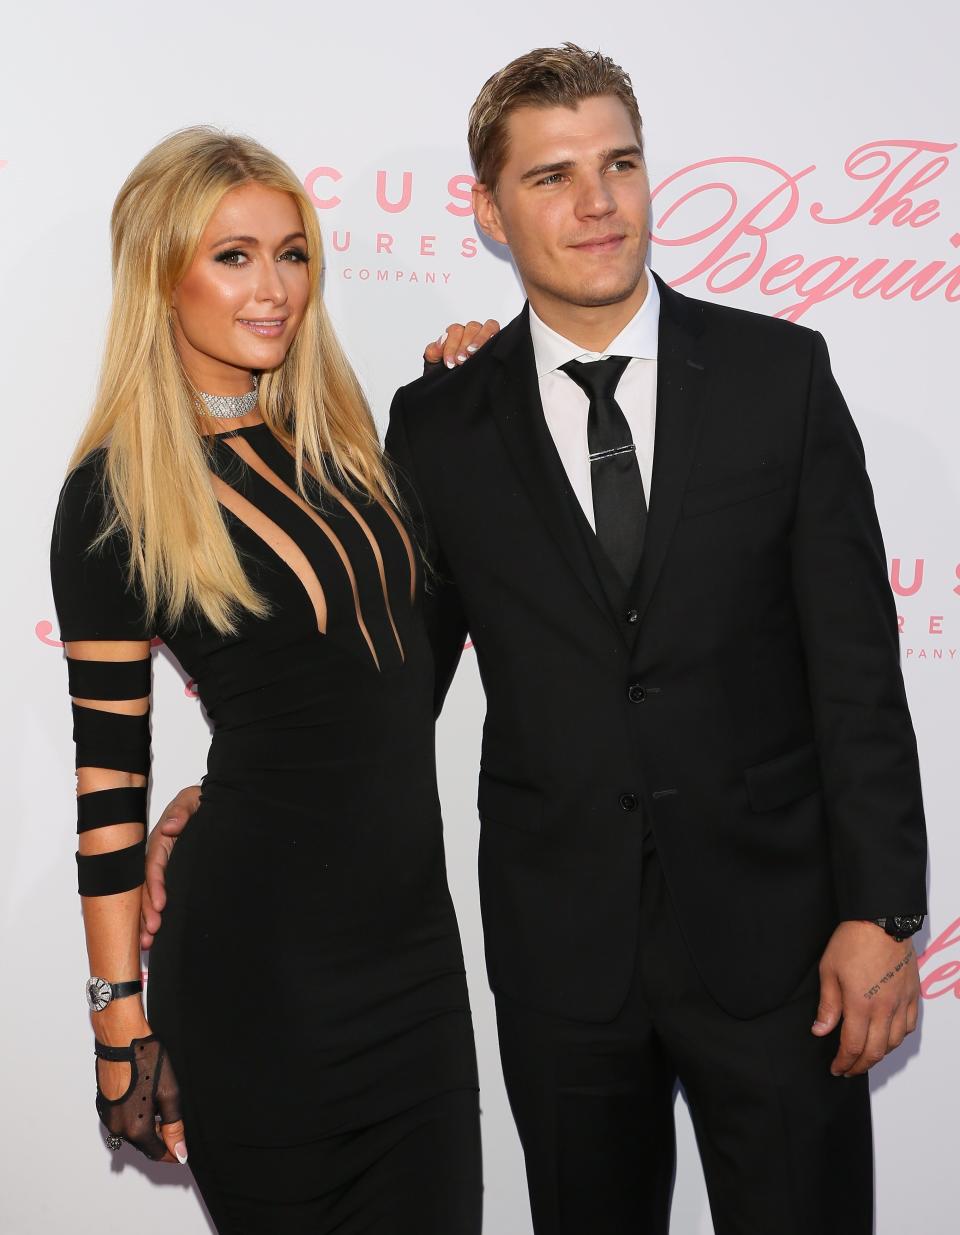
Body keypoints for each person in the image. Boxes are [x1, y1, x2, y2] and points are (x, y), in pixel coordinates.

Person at [148, 47, 928, 1235]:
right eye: (553, 176)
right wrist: (235, 786)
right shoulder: (441, 421)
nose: (598, 202)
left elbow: (859, 668)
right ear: (489, 211)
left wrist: (881, 912)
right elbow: (389, 671)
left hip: (785, 950)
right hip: (563, 953)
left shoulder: (782, 375)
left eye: (619, 163)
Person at [51, 126, 497, 1234]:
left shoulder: (346, 450)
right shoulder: (117, 494)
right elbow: (107, 795)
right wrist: (120, 1031)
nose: (275, 287)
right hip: (263, 978)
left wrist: (476, 406)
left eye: (292, 253)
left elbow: (397, 678)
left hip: (415, 972)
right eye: (234, 254)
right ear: (162, 274)